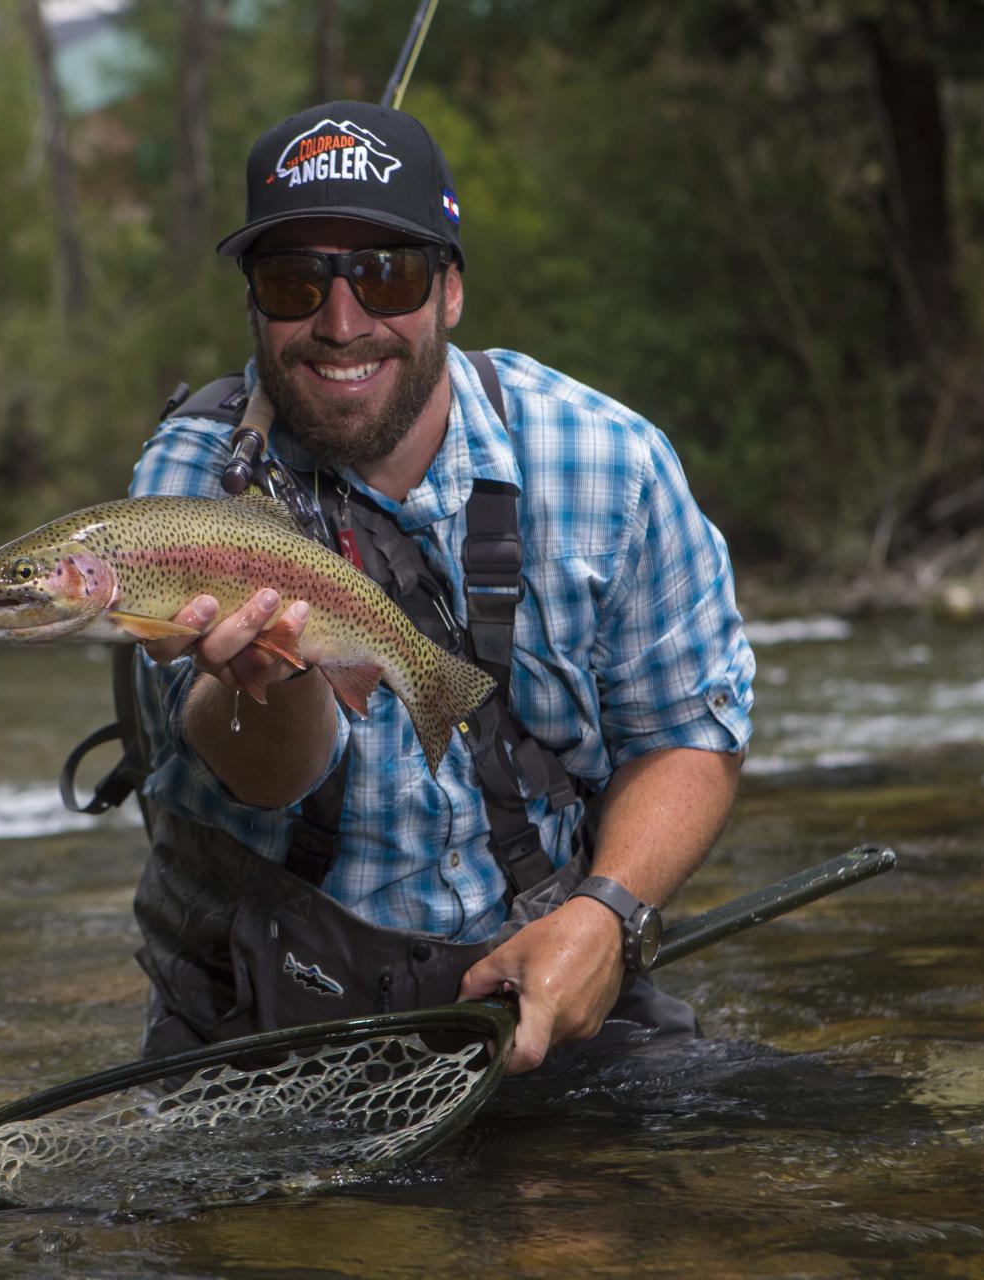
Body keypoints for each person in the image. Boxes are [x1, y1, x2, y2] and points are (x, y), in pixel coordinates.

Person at [120, 100, 754, 1075]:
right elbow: (258, 772)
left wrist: (609, 911)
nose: (341, 323)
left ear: (450, 291)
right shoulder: (196, 485)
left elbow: (688, 731)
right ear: (252, 301)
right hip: (260, 1015)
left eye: (388, 273)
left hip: (544, 973)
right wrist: (278, 672)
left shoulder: (609, 460)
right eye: (295, 280)